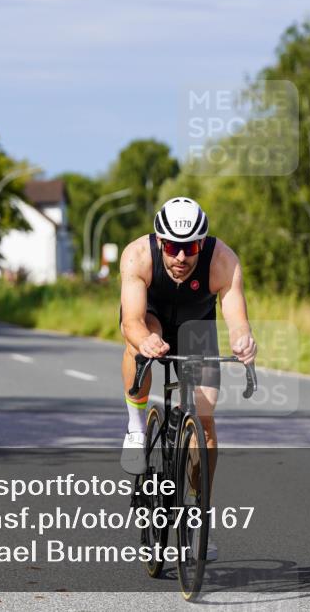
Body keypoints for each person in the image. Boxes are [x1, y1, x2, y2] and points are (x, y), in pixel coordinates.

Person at [118, 197, 257, 561]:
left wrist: (243, 338)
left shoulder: (223, 260)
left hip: (197, 327)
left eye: (191, 247)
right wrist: (145, 339)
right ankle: (135, 426)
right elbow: (130, 320)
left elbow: (235, 313)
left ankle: (197, 514)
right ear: (161, 241)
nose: (181, 258)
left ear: (202, 243)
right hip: (151, 319)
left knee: (205, 422)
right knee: (139, 342)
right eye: (174, 248)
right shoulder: (137, 256)